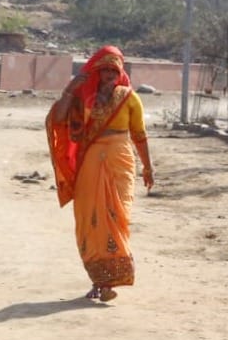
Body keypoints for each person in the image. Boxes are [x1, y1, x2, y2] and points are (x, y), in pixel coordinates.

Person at [46, 45, 154, 303]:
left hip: (120, 159)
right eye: (104, 70)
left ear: (120, 72)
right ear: (96, 72)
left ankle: (112, 278)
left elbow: (139, 136)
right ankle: (99, 280)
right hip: (91, 160)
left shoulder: (129, 98)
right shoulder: (83, 98)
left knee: (118, 216)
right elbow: (58, 119)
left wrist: (148, 167)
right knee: (89, 220)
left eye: (113, 70)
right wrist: (70, 90)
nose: (108, 76)